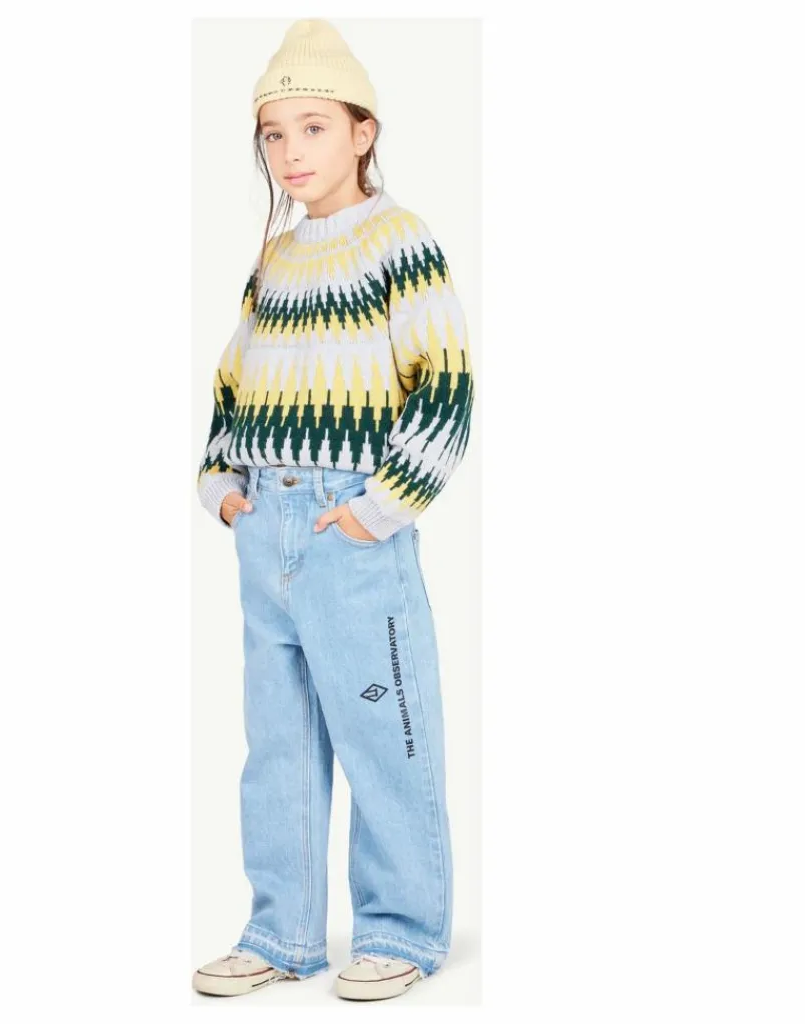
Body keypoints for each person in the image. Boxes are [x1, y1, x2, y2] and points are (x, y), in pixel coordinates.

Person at [192, 19, 474, 1002]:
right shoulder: (274, 259)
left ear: (362, 131)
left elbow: (446, 384)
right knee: (277, 745)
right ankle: (282, 931)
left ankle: (402, 927)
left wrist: (378, 508)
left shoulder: (399, 242)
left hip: (348, 528)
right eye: (274, 134)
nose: (291, 152)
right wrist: (222, 486)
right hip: (265, 523)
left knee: (384, 733)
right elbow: (234, 380)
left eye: (313, 127)